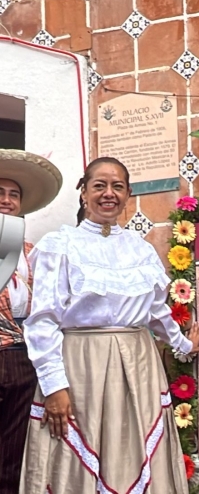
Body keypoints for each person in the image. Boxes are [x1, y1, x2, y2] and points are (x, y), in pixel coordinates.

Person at [19, 157, 199, 494]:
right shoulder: (59, 246)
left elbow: (155, 312)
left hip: (138, 367)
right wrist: (54, 386)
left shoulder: (141, 249)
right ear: (84, 193)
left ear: (128, 194)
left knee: (134, 452)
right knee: (78, 452)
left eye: (117, 186)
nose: (109, 194)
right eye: (99, 186)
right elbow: (43, 320)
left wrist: (182, 344)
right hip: (81, 366)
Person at [0, 149, 62, 494]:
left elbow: (44, 308)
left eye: (14, 194)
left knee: (13, 454)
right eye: (0, 192)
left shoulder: (30, 252)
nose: (7, 200)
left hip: (21, 363)